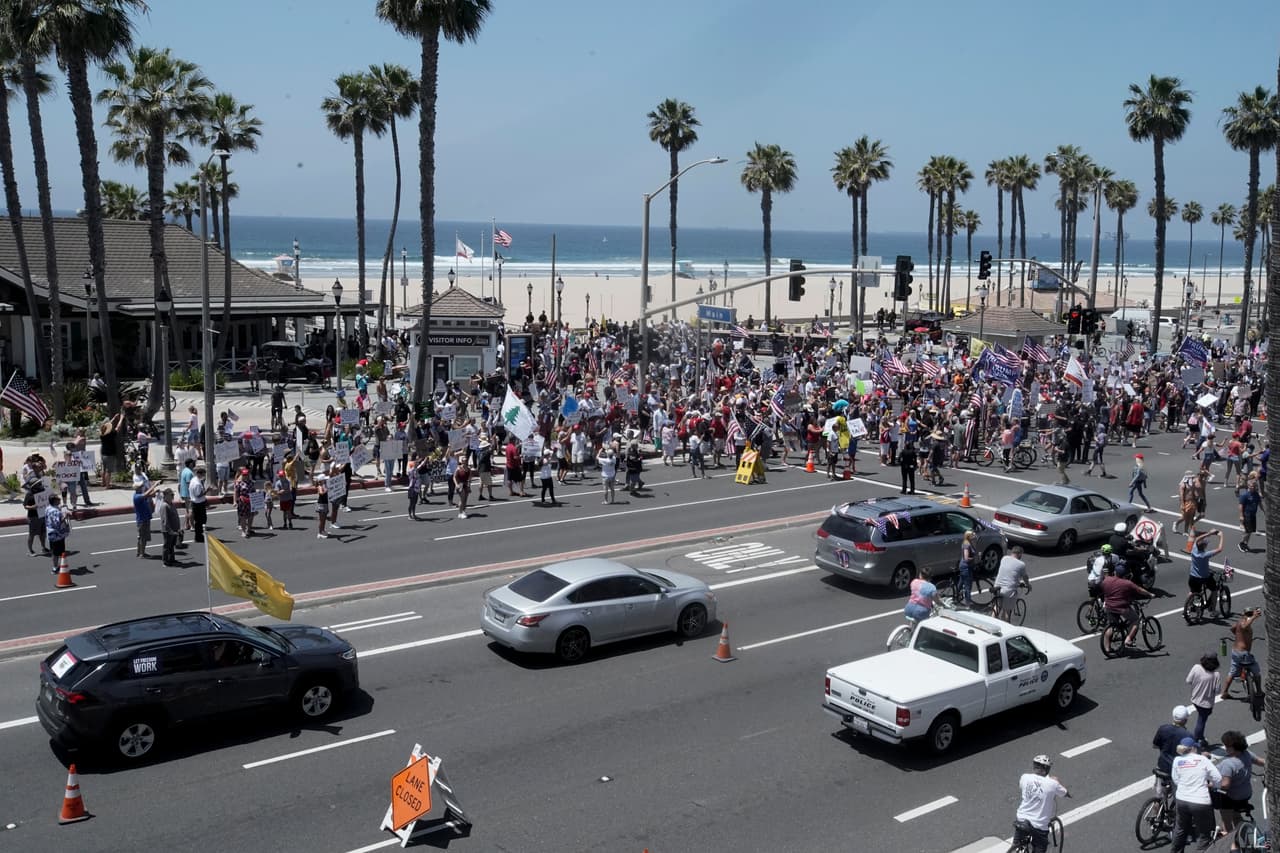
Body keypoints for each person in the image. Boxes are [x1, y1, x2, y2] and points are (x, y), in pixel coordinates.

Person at [1212, 729, 1265, 845]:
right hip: (1245, 794)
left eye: (1226, 746)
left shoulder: (1228, 764)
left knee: (1226, 818)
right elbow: (1261, 761)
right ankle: (1243, 833)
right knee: (1236, 814)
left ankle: (1232, 843)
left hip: (1232, 797)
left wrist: (1211, 785)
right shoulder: (1246, 754)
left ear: (1233, 747)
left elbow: (1225, 785)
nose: (1225, 748)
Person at [1169, 737, 1221, 853]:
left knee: (1180, 829)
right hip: (1200, 802)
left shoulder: (1177, 760)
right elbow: (1218, 778)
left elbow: (1175, 779)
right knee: (1205, 833)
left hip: (1182, 799)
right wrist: (1213, 785)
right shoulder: (1202, 759)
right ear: (1193, 748)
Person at [1011, 754, 1068, 853]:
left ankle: (1015, 847)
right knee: (1040, 846)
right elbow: (1064, 793)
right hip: (1038, 824)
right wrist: (1057, 782)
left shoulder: (1025, 777)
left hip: (1021, 818)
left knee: (1017, 845)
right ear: (1047, 769)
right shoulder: (1052, 783)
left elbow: (1021, 786)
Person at [1100, 563, 1153, 647]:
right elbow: (1139, 590)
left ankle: (1107, 649)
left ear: (1115, 572)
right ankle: (1128, 639)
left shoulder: (1107, 580)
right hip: (1121, 608)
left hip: (1109, 606)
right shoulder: (1127, 583)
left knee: (1110, 626)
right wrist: (1150, 594)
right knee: (1136, 620)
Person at [1219, 606, 1263, 701]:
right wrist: (1254, 617)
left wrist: (1239, 636)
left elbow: (1232, 628)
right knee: (1256, 672)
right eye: (1249, 614)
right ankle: (1259, 691)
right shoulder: (1244, 623)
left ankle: (1224, 692)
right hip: (1243, 653)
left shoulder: (1239, 622)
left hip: (1235, 652)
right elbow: (1244, 626)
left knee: (1232, 672)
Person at [1184, 530, 1223, 618]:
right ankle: (1213, 610)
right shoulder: (1205, 554)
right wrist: (1221, 536)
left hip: (1193, 577)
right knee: (1214, 590)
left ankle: (1187, 608)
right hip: (1203, 577)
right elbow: (1220, 549)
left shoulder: (1194, 550)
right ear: (1204, 546)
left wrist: (1209, 533)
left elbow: (1197, 539)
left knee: (1192, 591)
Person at [1185, 653, 1221, 747]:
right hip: (1206, 704)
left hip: (1195, 699)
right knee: (1201, 721)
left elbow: (1188, 680)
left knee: (1201, 719)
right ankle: (1196, 741)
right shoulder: (1216, 675)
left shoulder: (1196, 667)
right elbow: (1217, 691)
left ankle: (1200, 736)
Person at [993, 545, 1030, 622]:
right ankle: (1006, 627)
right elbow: (1025, 577)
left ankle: (992, 620)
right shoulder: (1021, 564)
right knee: (1006, 611)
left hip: (997, 587)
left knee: (997, 607)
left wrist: (1017, 582)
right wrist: (1028, 585)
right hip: (1008, 590)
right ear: (1019, 554)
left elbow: (1009, 574)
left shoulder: (1004, 558)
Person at [1154, 706, 1194, 776]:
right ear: (1185, 720)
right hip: (1177, 768)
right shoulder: (1188, 735)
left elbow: (1155, 745)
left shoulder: (1163, 728)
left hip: (1162, 764)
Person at [132, 480, 158, 558]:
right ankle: (142, 553)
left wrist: (155, 491)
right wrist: (154, 485)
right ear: (138, 488)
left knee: (142, 537)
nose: (143, 487)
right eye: (141, 486)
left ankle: (140, 552)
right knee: (143, 538)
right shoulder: (137, 497)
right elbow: (146, 494)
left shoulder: (139, 495)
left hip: (145, 518)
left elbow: (148, 495)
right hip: (142, 520)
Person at [45, 494, 69, 574]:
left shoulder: (48, 508)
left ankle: (57, 566)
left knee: (55, 552)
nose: (60, 499)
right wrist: (65, 516)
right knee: (57, 553)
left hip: (51, 533)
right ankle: (55, 568)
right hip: (57, 535)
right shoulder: (54, 511)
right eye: (58, 499)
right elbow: (57, 523)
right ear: (55, 501)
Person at [1237, 477, 1261, 552]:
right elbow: (1240, 506)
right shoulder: (1245, 495)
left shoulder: (1256, 494)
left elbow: (1260, 503)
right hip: (1247, 515)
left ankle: (1245, 544)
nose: (1252, 487)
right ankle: (1241, 543)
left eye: (1254, 486)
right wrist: (1241, 516)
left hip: (1253, 515)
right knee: (1247, 531)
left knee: (1250, 531)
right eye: (1251, 486)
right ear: (1248, 486)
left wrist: (1264, 511)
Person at [159, 488, 181, 566]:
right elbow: (165, 521)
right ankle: (165, 561)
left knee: (171, 546)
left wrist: (178, 529)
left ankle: (172, 559)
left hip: (174, 529)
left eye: (173, 494)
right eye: (171, 495)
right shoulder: (164, 506)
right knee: (167, 546)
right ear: (166, 496)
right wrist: (170, 531)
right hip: (168, 530)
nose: (173, 496)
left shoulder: (171, 504)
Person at [957, 530, 977, 608]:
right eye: (972, 535)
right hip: (966, 567)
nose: (974, 536)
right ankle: (967, 604)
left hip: (966, 567)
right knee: (968, 586)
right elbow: (966, 558)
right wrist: (974, 558)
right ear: (969, 536)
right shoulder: (966, 545)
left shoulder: (968, 543)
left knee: (961, 582)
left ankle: (956, 596)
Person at [189, 465, 208, 543]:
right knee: (200, 521)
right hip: (198, 504)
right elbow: (198, 494)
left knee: (199, 521)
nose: (204, 476)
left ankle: (199, 535)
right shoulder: (197, 484)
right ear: (200, 474)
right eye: (203, 474)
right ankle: (198, 537)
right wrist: (207, 490)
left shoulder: (194, 480)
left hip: (196, 503)